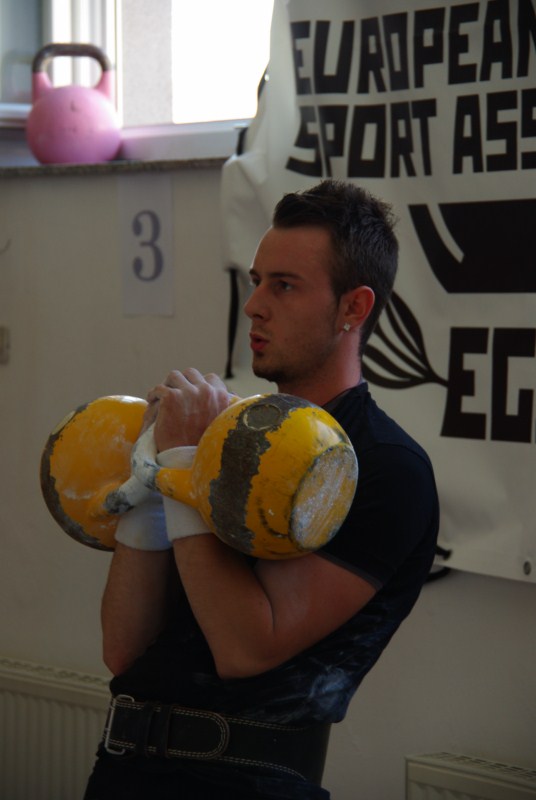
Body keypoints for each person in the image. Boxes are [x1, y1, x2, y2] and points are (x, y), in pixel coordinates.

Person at [83, 180, 439, 800]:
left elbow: (246, 648)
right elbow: (123, 648)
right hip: (124, 771)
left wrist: (184, 463)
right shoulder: (222, 439)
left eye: (284, 285)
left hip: (249, 783)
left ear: (353, 308)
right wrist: (155, 470)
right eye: (256, 281)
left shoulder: (387, 468)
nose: (254, 305)